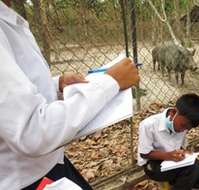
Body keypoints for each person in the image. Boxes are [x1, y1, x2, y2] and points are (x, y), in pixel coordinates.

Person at [0, 1, 140, 189]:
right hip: (27, 180)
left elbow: (13, 99)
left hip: (47, 166)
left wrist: (56, 85)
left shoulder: (8, 19)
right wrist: (110, 83)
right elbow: (32, 130)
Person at [137, 93, 199, 190]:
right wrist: (168, 155)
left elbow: (181, 147)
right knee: (192, 169)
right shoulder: (148, 125)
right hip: (154, 165)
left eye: (187, 128)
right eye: (183, 126)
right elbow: (144, 154)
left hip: (174, 162)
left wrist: (184, 152)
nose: (183, 130)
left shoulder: (183, 123)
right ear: (173, 113)